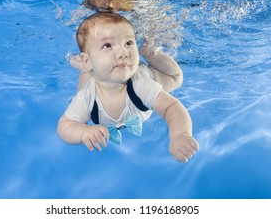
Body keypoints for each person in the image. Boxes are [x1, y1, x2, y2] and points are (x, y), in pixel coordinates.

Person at [57, 12, 199, 162]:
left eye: (129, 43)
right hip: (94, 78)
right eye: (107, 45)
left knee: (176, 78)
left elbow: (171, 107)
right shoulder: (88, 96)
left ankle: (148, 51)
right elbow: (65, 125)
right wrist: (83, 131)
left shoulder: (140, 85)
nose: (123, 53)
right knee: (84, 88)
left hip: (146, 74)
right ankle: (85, 67)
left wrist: (179, 135)